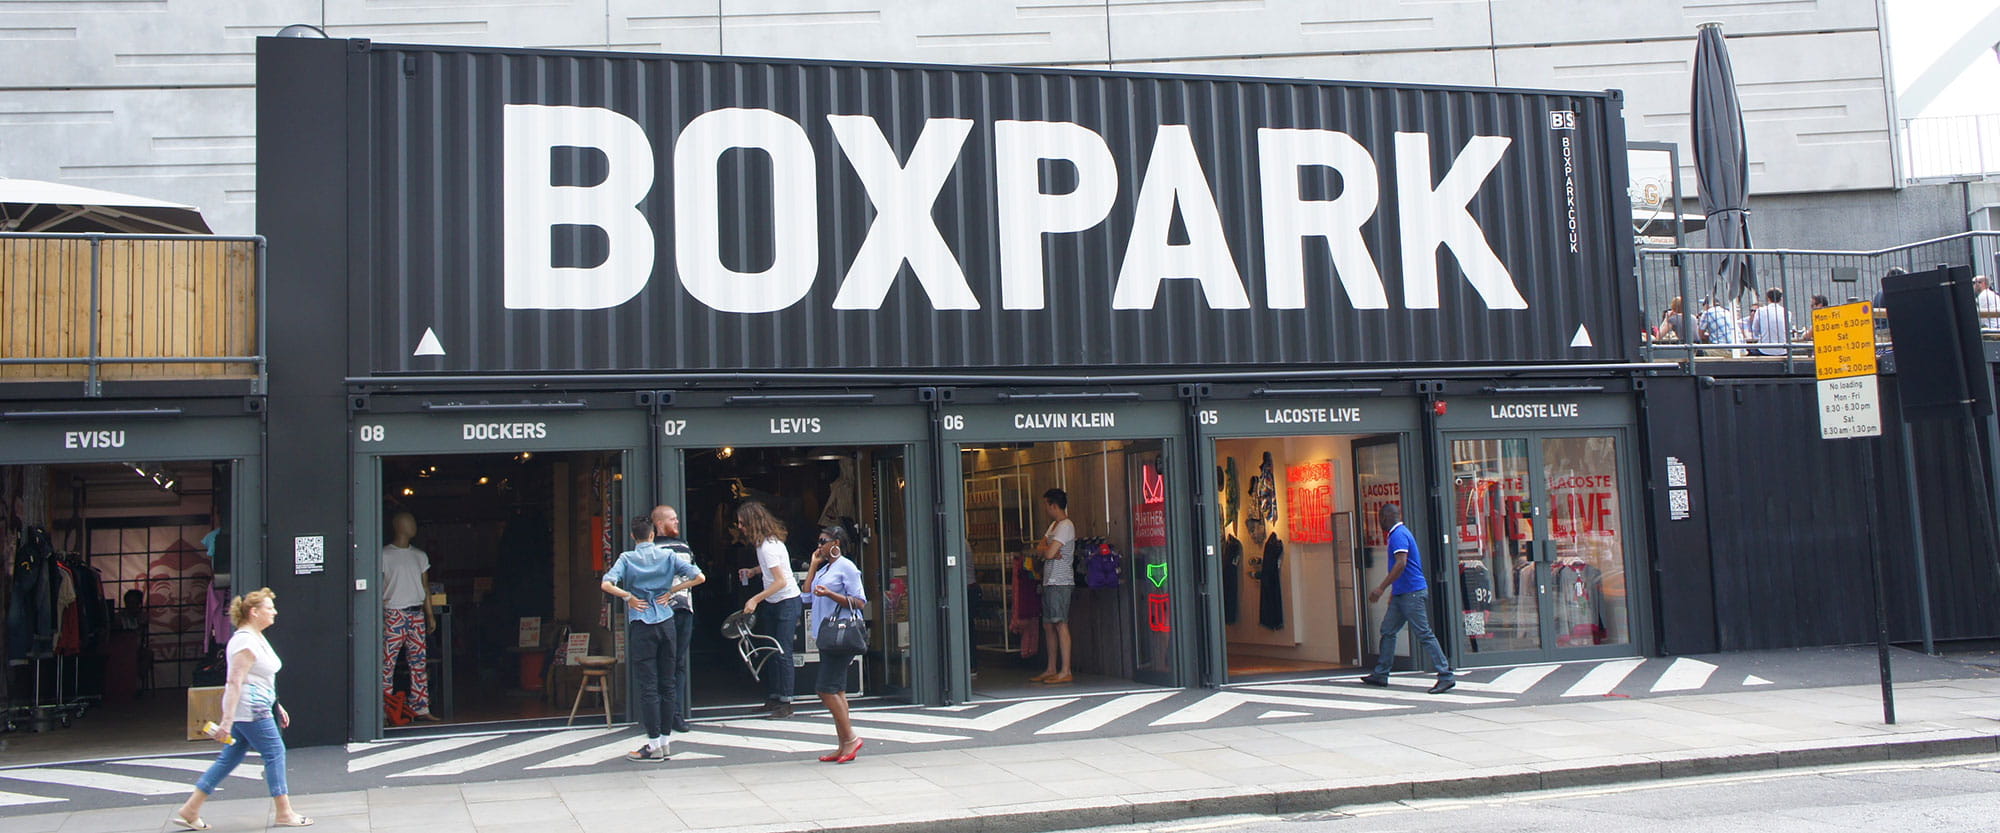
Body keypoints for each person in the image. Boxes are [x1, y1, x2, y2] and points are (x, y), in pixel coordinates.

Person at [171, 588, 312, 830]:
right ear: (254, 612)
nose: (275, 612)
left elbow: (260, 678)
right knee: (275, 752)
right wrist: (226, 721)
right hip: (252, 709)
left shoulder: (255, 636)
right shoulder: (245, 641)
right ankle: (284, 812)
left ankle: (190, 809)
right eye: (270, 608)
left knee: (230, 757)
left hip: (253, 707)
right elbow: (235, 681)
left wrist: (276, 705)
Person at [603, 515, 704, 761]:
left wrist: (627, 596)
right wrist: (672, 590)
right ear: (652, 534)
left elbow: (607, 584)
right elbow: (699, 577)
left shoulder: (627, 558)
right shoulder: (667, 555)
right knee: (667, 683)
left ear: (632, 536)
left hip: (641, 623)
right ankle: (666, 742)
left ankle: (653, 743)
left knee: (648, 685)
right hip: (666, 620)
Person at [1357, 504, 1454, 695]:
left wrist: (1381, 588)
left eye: (1380, 517)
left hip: (1411, 593)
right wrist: (1394, 593)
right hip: (1403, 594)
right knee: (1388, 630)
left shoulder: (1398, 535)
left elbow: (1401, 563)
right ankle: (1381, 673)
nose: (1379, 522)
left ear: (1386, 517)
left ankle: (1446, 675)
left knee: (1424, 633)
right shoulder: (1398, 534)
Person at [804, 523, 867, 763]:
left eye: (823, 541)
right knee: (837, 689)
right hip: (826, 635)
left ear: (836, 543)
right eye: (819, 541)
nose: (819, 545)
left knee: (825, 688)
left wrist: (830, 595)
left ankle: (850, 738)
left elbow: (859, 602)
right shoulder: (824, 569)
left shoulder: (846, 568)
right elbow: (806, 593)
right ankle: (843, 745)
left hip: (840, 634)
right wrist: (812, 565)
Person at [736, 501, 801, 718]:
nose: (740, 528)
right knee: (773, 649)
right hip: (777, 600)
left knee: (782, 651)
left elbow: (781, 581)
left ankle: (786, 700)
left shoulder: (767, 547)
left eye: (742, 523)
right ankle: (775, 697)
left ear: (752, 523)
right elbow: (775, 571)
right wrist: (755, 571)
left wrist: (755, 599)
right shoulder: (765, 545)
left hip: (785, 600)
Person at [379, 511, 438, 722]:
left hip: (416, 613)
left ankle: (421, 708)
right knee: (388, 663)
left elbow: (425, 586)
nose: (413, 525)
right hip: (394, 612)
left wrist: (429, 614)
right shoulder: (383, 555)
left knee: (419, 662)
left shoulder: (420, 556)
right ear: (399, 525)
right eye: (410, 522)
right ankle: (385, 710)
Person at [651, 504, 697, 733]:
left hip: (678, 610)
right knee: (673, 662)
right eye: (672, 519)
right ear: (659, 524)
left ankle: (671, 713)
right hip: (669, 611)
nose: (677, 522)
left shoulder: (683, 546)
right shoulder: (651, 549)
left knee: (673, 662)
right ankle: (671, 714)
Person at [1030, 488, 1077, 685]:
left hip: (1060, 581)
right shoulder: (1053, 526)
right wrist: (1047, 550)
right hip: (1049, 580)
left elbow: (1047, 553)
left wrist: (1048, 550)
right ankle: (1051, 668)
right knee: (1048, 624)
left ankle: (1065, 669)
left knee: (1060, 623)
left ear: (1053, 505)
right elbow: (1041, 548)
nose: (1046, 509)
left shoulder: (1066, 526)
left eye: (1047, 505)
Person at [1747, 287, 1788, 357]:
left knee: (1748, 351)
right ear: (1781, 299)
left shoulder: (1760, 311)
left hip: (1764, 350)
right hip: (1783, 350)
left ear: (1768, 298)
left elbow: (1755, 330)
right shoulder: (1786, 312)